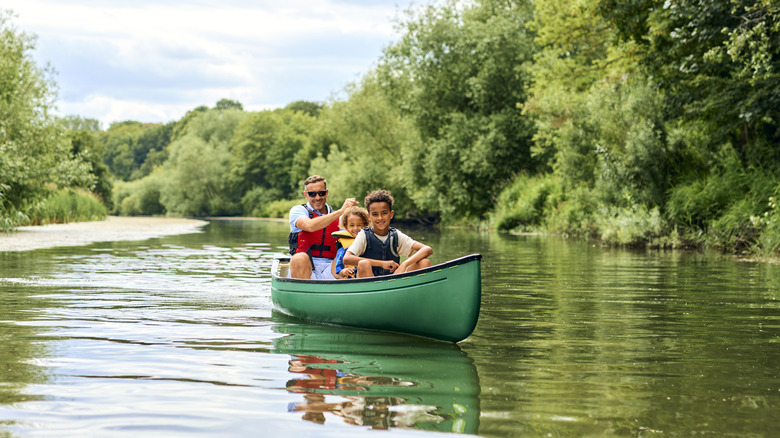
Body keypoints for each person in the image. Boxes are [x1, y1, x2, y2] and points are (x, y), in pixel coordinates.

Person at [343, 189, 432, 278]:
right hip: (369, 282)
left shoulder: (396, 234)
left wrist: (404, 265)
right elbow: (347, 259)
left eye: (384, 213)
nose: (380, 218)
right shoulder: (363, 235)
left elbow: (427, 249)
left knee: (424, 262)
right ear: (369, 216)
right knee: (363, 263)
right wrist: (382, 264)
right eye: (375, 214)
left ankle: (409, 290)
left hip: (392, 281)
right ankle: (374, 290)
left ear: (391, 214)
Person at [288, 175, 358, 279]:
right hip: (305, 268)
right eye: (312, 194)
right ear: (305, 195)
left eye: (321, 193)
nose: (317, 198)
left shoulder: (341, 218)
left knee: (350, 257)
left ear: (327, 193)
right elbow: (309, 226)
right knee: (299, 257)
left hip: (332, 268)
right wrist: (341, 211)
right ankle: (303, 292)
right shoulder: (298, 210)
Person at [330, 206, 370, 279]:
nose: (355, 228)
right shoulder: (342, 250)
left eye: (359, 225)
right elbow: (339, 272)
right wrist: (344, 271)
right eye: (351, 225)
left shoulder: (371, 243)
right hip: (350, 281)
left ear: (365, 225)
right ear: (346, 226)